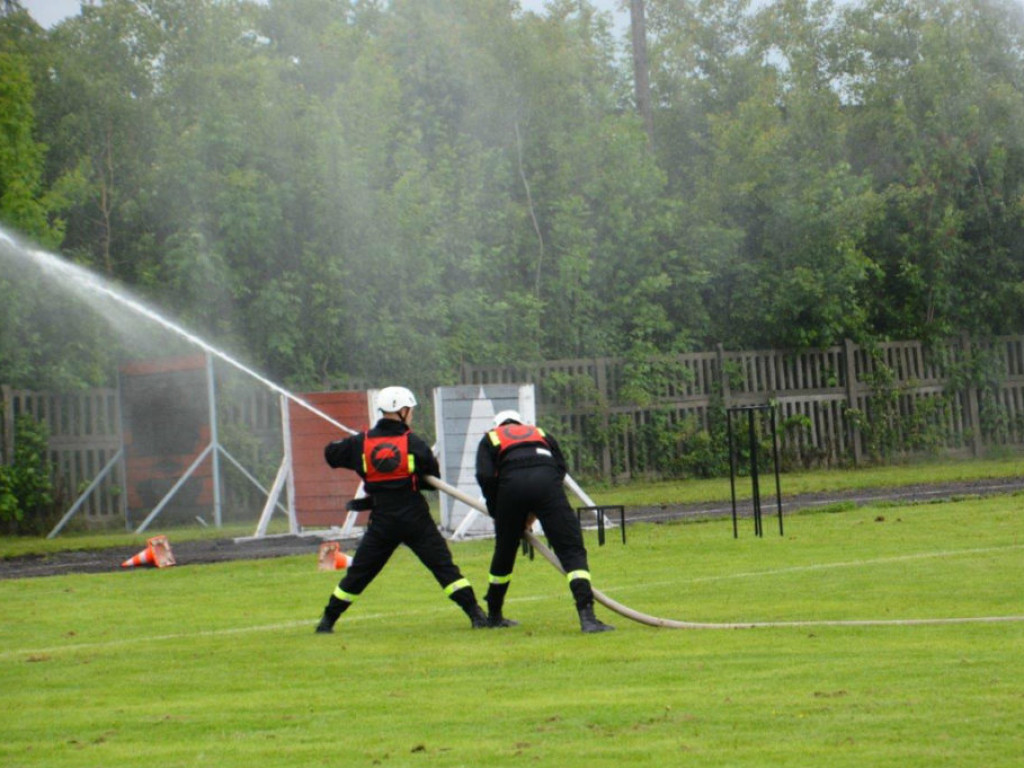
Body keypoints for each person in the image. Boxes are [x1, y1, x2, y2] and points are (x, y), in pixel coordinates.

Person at [315, 386, 489, 633]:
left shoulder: (360, 443)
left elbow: (331, 454)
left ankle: (327, 622)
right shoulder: (413, 443)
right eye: (412, 411)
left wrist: (351, 442)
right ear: (403, 411)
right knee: (443, 567)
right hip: (415, 518)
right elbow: (432, 478)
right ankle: (476, 615)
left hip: (382, 520)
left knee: (360, 573)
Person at [475, 410, 614, 633]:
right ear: (521, 423)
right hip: (547, 484)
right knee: (571, 550)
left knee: (504, 552)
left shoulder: (491, 438)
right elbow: (560, 468)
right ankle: (588, 618)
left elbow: (485, 476)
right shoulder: (540, 433)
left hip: (510, 488)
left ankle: (494, 615)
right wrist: (541, 506)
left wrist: (500, 513)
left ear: (498, 425)